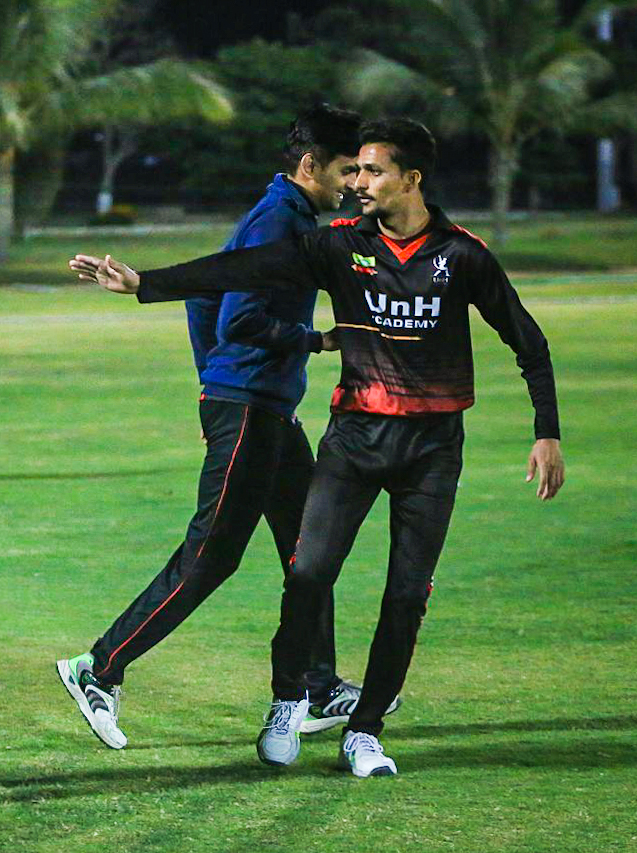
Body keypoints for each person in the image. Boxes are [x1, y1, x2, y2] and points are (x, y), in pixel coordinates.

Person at [69, 117, 564, 776]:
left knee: (366, 577)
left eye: (370, 171)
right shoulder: (316, 235)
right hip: (309, 425)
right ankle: (137, 672)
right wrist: (151, 292)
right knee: (257, 561)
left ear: (410, 179)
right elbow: (235, 281)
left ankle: (342, 707)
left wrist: (546, 430)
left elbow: (528, 340)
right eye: (350, 169)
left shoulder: (455, 253)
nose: (356, 182)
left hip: (390, 439)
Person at [57, 105, 402, 749]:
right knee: (214, 555)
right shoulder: (278, 219)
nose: (354, 182)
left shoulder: (286, 213)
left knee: (309, 549)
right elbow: (239, 319)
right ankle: (97, 668)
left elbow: (206, 294)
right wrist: (317, 342)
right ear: (310, 166)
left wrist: (211, 379)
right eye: (345, 170)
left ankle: (318, 686)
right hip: (248, 409)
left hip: (263, 409)